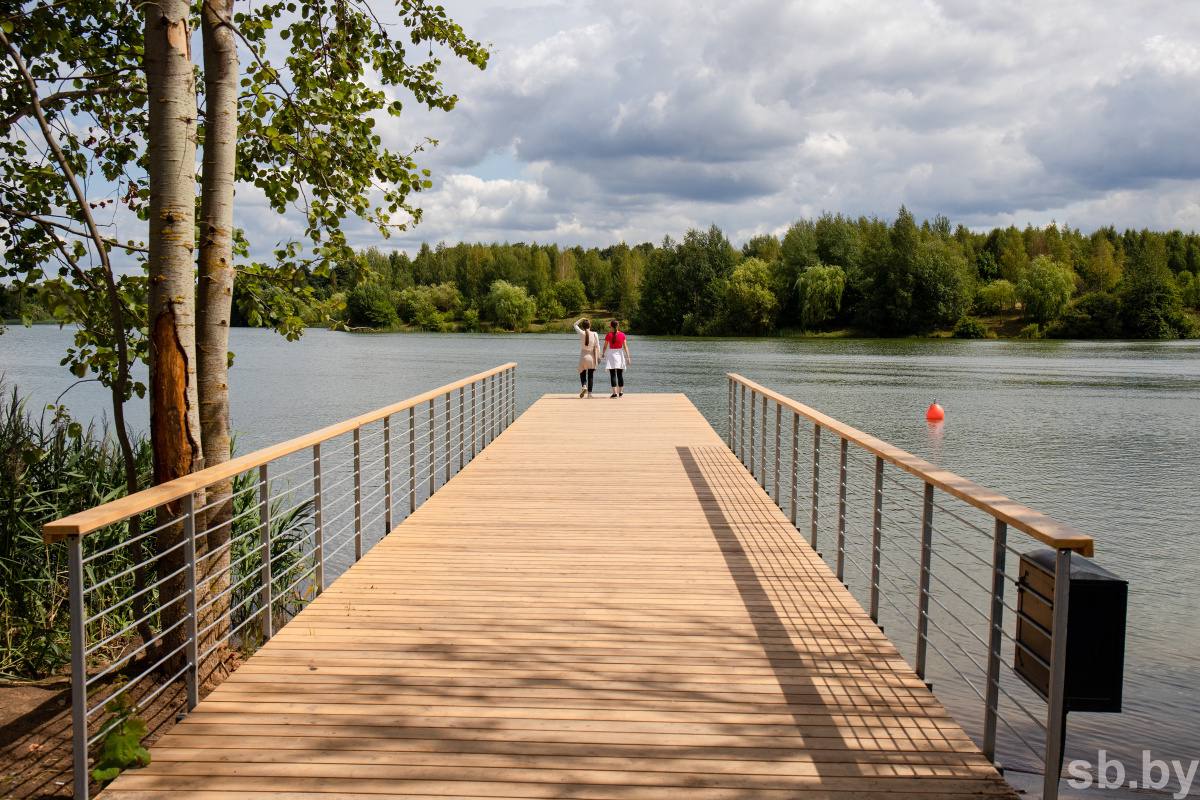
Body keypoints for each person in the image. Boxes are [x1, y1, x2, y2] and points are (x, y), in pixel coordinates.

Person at [601, 319, 631, 398]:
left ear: (611, 326)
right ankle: (620, 392)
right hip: (620, 354)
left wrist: (603, 353)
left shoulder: (608, 335)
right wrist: (628, 357)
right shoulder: (622, 335)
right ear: (618, 326)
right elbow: (625, 347)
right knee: (620, 374)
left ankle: (614, 393)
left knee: (612, 374)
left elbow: (605, 346)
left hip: (611, 354)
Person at [573, 318, 601, 398]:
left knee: (582, 372)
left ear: (583, 326)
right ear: (590, 325)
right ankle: (590, 394)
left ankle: (584, 386)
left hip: (583, 356)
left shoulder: (581, 333)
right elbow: (597, 346)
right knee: (591, 375)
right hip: (592, 356)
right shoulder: (595, 334)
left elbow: (574, 325)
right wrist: (598, 357)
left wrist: (581, 319)